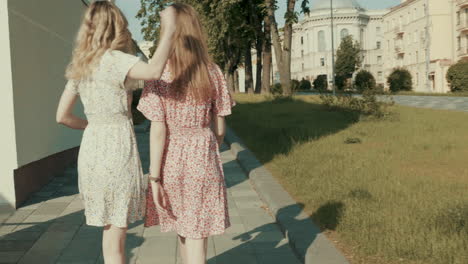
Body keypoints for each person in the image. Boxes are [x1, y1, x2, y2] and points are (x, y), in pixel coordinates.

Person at [55, 2, 176, 263]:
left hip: (91, 151)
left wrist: (93, 126)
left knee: (111, 234)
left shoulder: (81, 64)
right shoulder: (117, 61)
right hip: (117, 151)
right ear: (117, 26)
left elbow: (61, 117)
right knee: (116, 237)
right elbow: (154, 71)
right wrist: (168, 29)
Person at [137, 3, 235, 264]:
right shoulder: (212, 71)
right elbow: (221, 130)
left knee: (184, 229)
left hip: (172, 159)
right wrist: (206, 141)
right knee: (196, 233)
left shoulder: (159, 73)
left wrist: (154, 177)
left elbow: (157, 129)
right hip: (203, 155)